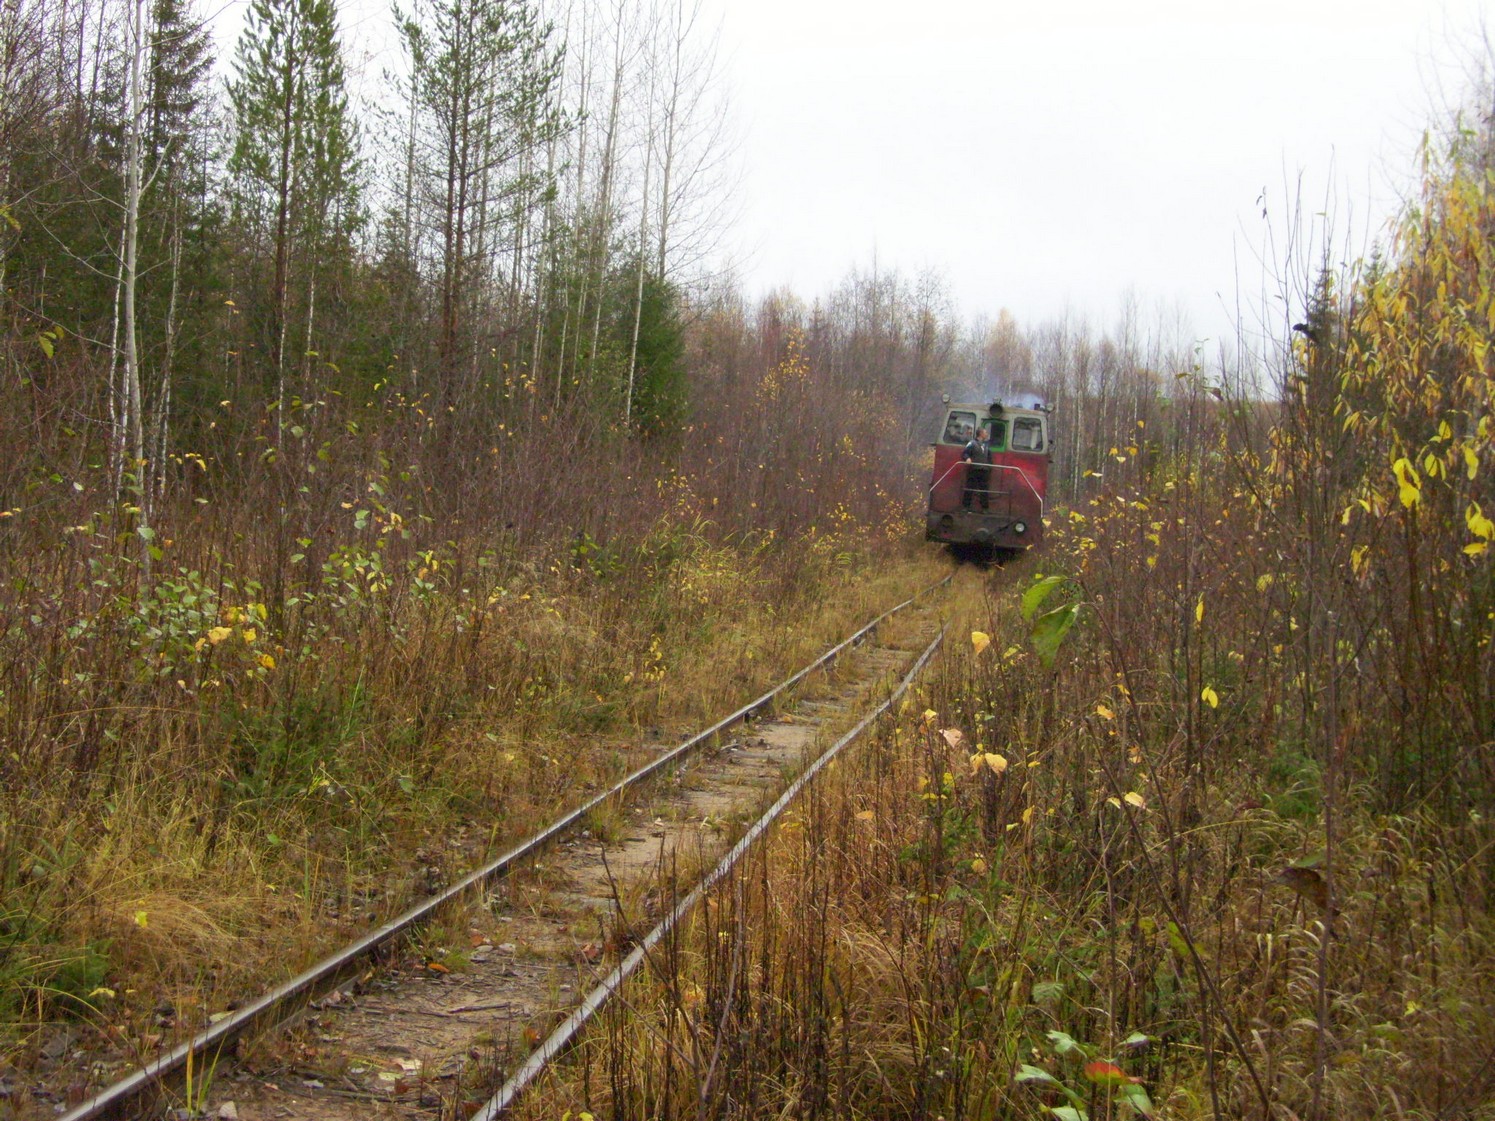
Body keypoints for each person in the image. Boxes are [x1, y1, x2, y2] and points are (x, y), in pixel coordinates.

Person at [962, 426, 993, 510]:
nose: (987, 434)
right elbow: (965, 453)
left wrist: (989, 467)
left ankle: (985, 508)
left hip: (984, 471)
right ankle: (966, 506)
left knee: (984, 489)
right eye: (985, 432)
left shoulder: (986, 445)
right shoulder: (972, 443)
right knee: (969, 487)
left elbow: (989, 457)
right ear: (981, 433)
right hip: (974, 469)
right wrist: (967, 458)